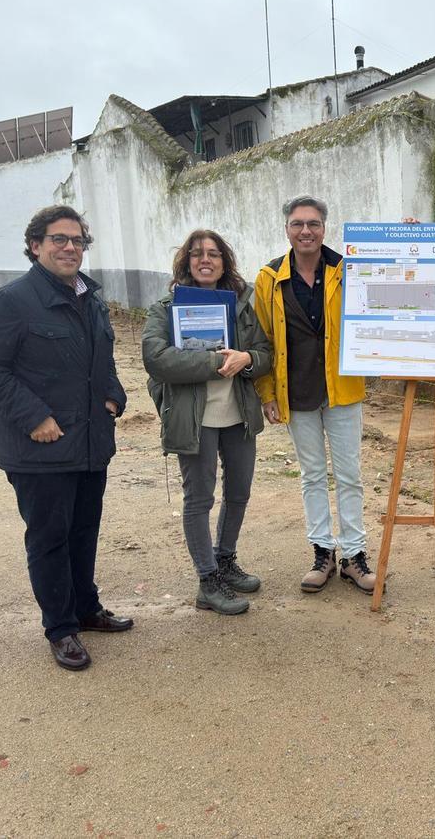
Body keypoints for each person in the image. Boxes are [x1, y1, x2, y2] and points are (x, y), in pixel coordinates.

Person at [0, 205, 130, 672]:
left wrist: (115, 397)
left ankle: (85, 608)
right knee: (49, 538)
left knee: (83, 532)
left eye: (77, 240)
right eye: (59, 239)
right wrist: (34, 415)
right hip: (40, 448)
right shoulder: (13, 301)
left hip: (89, 444)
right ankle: (60, 628)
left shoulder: (91, 299)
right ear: (35, 245)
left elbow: (104, 363)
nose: (70, 248)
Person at [142, 229, 272, 616]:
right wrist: (218, 362)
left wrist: (247, 359)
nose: (206, 260)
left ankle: (226, 559)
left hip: (238, 415)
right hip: (193, 418)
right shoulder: (165, 308)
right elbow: (157, 359)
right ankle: (207, 579)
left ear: (224, 261)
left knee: (239, 493)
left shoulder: (243, 304)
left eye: (214, 254)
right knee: (199, 498)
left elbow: (266, 353)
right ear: (186, 261)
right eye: (198, 254)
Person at [253, 194, 375, 594]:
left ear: (325, 228)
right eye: (297, 224)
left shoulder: (348, 268)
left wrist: (402, 238)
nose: (306, 231)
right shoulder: (269, 278)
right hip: (297, 392)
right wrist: (267, 393)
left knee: (349, 475)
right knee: (311, 476)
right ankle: (322, 552)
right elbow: (264, 339)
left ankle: (354, 556)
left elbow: (389, 277)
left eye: (313, 224)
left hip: (342, 391)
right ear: (287, 229)